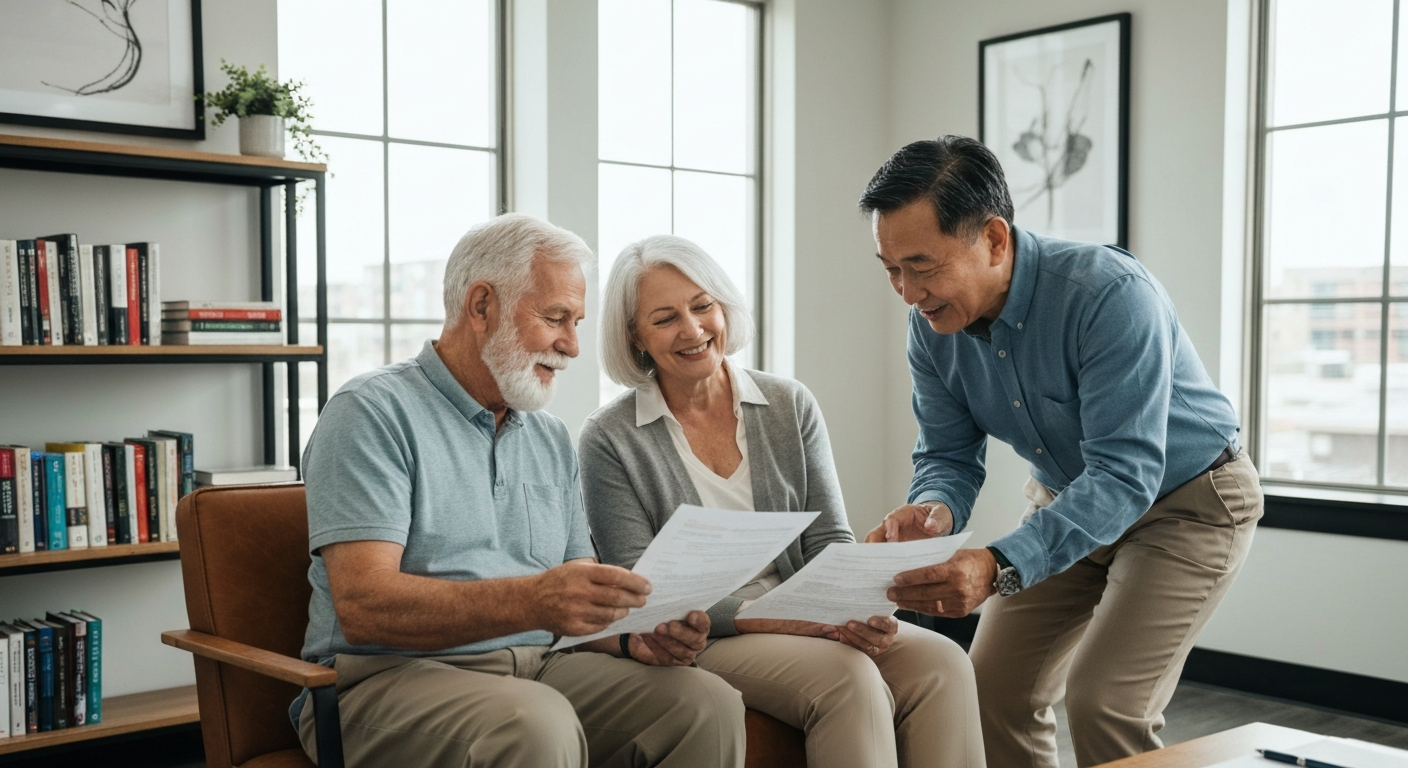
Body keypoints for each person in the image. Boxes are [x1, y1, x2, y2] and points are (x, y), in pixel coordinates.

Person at [858, 136, 1263, 768]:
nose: (908, 292)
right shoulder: (931, 328)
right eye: (891, 270)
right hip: (1069, 500)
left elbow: (1126, 474)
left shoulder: (1108, 293)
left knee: (1107, 702)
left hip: (1189, 503)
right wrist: (933, 508)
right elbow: (947, 453)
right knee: (993, 690)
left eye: (923, 266)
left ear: (994, 240)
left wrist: (995, 564)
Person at [291, 214, 746, 768]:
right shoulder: (371, 412)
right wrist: (532, 601)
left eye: (577, 321)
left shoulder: (550, 437)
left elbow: (580, 595)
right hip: (384, 679)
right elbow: (365, 606)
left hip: (539, 666)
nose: (573, 346)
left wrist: (632, 637)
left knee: (704, 703)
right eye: (556, 318)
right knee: (535, 723)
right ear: (481, 306)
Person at [579, 234, 986, 768]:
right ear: (634, 336)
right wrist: (773, 617)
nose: (693, 329)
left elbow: (827, 540)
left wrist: (851, 607)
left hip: (805, 612)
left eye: (703, 306)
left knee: (943, 661)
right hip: (713, 628)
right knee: (848, 676)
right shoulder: (608, 438)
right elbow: (641, 589)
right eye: (664, 318)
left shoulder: (788, 403)